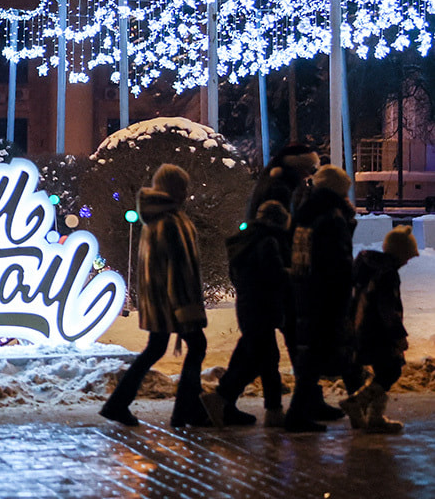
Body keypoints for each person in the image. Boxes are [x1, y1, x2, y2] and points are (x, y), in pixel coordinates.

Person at [100, 164, 211, 428]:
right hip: (176, 302)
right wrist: (187, 309)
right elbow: (180, 270)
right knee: (196, 346)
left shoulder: (155, 219)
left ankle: (118, 404)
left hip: (159, 301)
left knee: (156, 348)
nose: (186, 192)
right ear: (174, 189)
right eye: (182, 187)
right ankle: (186, 409)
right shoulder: (171, 221)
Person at [202, 200, 291, 428]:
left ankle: (224, 401)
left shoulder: (244, 241)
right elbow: (274, 276)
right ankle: (269, 410)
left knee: (251, 358)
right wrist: (292, 274)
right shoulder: (267, 241)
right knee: (268, 359)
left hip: (248, 307)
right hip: (263, 307)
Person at [284, 164, 358, 433]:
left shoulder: (305, 213)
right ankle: (359, 407)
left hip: (305, 291)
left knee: (315, 355)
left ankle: (302, 411)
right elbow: (337, 260)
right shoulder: (331, 217)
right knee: (329, 352)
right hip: (327, 295)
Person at [339, 226, 418, 433]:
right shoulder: (387, 274)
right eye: (407, 257)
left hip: (362, 327)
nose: (407, 262)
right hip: (378, 331)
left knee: (384, 371)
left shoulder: (368, 267)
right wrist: (399, 336)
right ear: (399, 253)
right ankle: (357, 403)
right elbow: (387, 308)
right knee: (391, 370)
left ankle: (375, 418)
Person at [246, 143, 319, 221]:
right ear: (295, 167)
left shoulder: (272, 181)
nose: (307, 174)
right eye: (305, 168)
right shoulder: (279, 188)